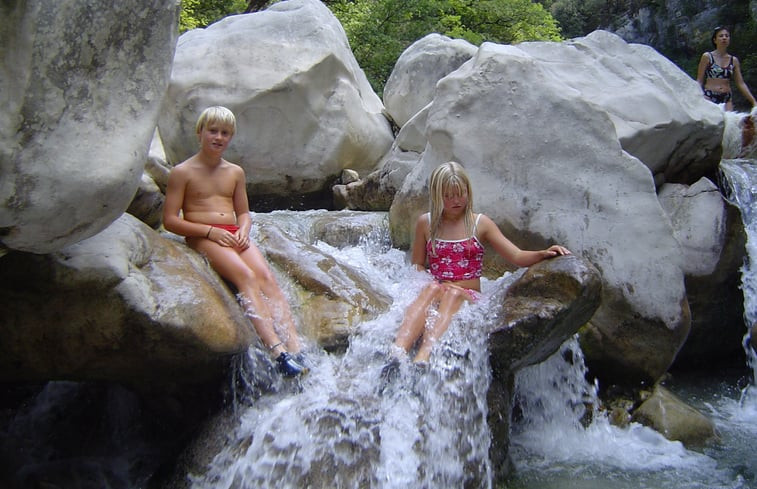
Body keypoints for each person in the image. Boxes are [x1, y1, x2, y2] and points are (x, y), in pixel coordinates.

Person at [163, 106, 308, 377]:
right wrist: (209, 232)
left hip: (232, 232)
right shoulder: (182, 172)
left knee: (266, 276)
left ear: (231, 137)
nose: (218, 137)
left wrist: (244, 229)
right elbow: (170, 220)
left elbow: (243, 212)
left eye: (225, 133)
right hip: (202, 235)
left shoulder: (234, 172)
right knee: (245, 275)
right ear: (200, 133)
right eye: (213, 131)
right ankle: (278, 352)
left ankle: (296, 346)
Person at [388, 161, 571, 365]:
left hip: (467, 295)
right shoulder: (426, 223)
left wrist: (543, 254)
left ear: (468, 191)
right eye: (448, 196)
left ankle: (424, 355)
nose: (456, 200)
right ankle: (397, 351)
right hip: (439, 288)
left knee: (453, 293)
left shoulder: (479, 223)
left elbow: (516, 256)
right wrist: (423, 283)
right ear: (437, 196)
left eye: (460, 193)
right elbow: (418, 265)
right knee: (431, 289)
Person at [696, 26, 756, 111]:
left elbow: (740, 83)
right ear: (715, 40)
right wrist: (696, 96)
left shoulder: (733, 60)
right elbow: (699, 80)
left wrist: (753, 101)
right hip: (709, 95)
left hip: (726, 97)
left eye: (726, 36)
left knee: (729, 122)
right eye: (721, 36)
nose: (724, 38)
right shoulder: (707, 57)